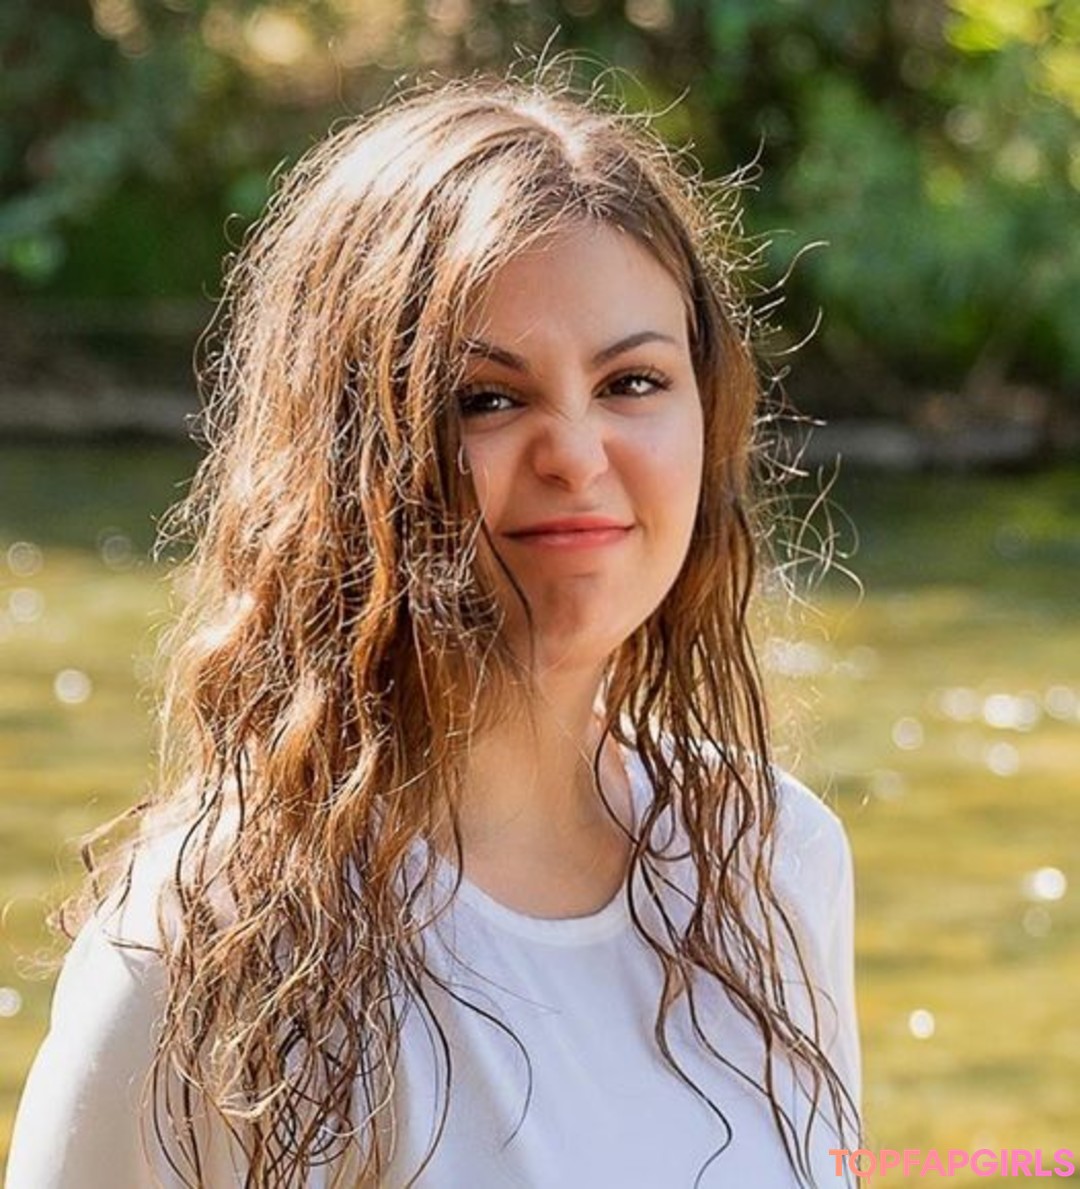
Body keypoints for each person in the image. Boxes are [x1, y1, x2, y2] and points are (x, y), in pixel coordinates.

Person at [7, 65, 863, 1189]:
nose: (577, 453)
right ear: (345, 457)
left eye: (633, 382)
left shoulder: (774, 862)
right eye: (488, 399)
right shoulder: (201, 945)